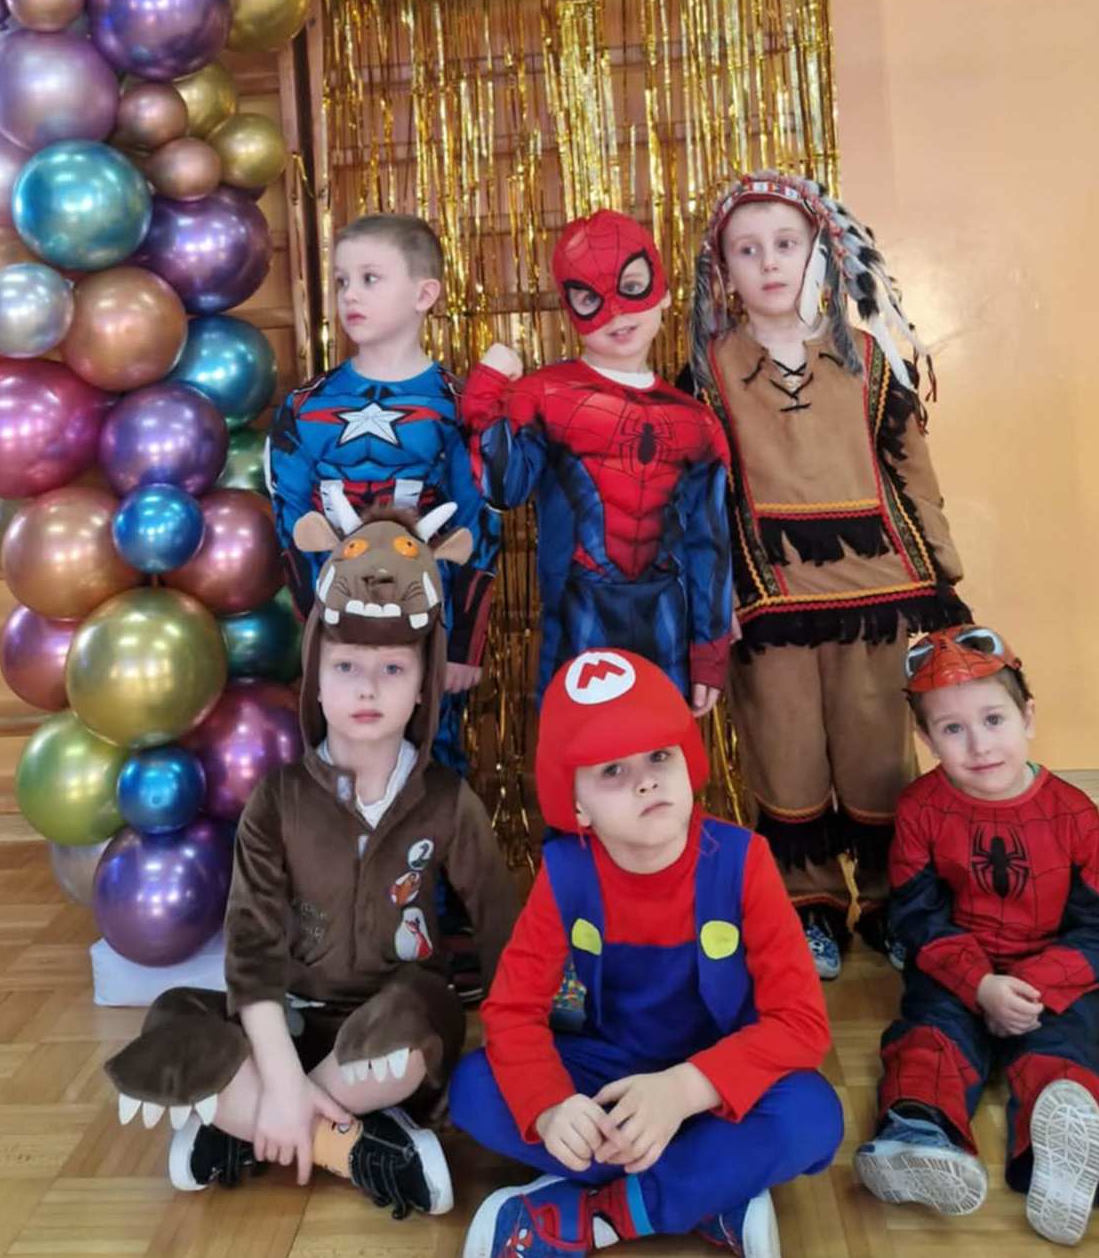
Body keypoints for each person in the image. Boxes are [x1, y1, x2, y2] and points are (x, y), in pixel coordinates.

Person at [103, 500, 518, 1217]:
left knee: (413, 1027)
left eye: (392, 668)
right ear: (316, 680)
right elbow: (252, 949)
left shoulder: (448, 801)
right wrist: (284, 1076)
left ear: (423, 683)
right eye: (346, 666)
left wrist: (526, 1041)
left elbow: (501, 926)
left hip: (390, 1023)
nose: (367, 687)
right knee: (174, 1019)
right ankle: (353, 1147)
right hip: (289, 1022)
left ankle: (252, 1127)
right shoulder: (278, 800)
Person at [450, 648, 843, 1258]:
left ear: (686, 759)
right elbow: (511, 1011)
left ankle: (597, 1215)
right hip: (609, 1077)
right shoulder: (567, 873)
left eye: (659, 755)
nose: (645, 780)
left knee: (813, 1116)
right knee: (475, 1087)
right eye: (612, 769)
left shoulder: (743, 863)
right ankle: (709, 1190)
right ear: (576, 804)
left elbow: (800, 1024)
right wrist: (551, 1107)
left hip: (714, 1085)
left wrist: (684, 1091)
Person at [685, 171, 969, 978]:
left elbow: (911, 471)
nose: (769, 262)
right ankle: (806, 904)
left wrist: (940, 578)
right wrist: (711, 599)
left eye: (785, 244)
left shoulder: (867, 361)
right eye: (747, 250)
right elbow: (698, 499)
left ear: (819, 252)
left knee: (875, 749)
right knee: (785, 751)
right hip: (766, 599)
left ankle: (889, 902)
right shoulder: (708, 370)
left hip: (874, 592)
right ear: (723, 270)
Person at [853, 625, 1099, 1247]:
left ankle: (1060, 1165)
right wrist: (978, 984)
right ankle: (918, 1136)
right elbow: (917, 914)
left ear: (1027, 716)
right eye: (952, 729)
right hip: (957, 968)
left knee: (1071, 1048)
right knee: (930, 1037)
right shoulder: (920, 808)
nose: (979, 745)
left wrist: (1033, 987)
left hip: (1052, 973)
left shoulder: (1075, 813)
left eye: (993, 719)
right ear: (926, 740)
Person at [462, 209, 732, 711]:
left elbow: (709, 545)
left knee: (660, 749)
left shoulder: (697, 420)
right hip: (576, 620)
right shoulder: (544, 395)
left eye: (631, 286)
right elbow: (500, 488)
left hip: (667, 626)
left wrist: (710, 650)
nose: (614, 311)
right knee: (578, 748)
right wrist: (485, 392)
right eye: (590, 298)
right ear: (570, 309)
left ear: (663, 290)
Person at [266, 212, 501, 772]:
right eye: (342, 280)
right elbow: (290, 520)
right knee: (337, 766)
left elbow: (479, 523)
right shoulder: (304, 405)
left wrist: (463, 646)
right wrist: (316, 630)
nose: (350, 294)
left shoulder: (458, 407)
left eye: (370, 278)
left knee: (433, 762)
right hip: (337, 625)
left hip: (429, 625)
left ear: (424, 294)